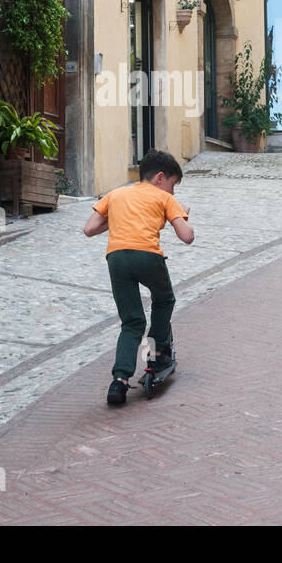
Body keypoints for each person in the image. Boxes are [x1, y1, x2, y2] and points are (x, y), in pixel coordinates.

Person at [83, 148, 194, 406]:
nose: (173, 192)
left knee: (131, 322)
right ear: (159, 178)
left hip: (117, 258)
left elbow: (89, 229)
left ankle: (119, 381)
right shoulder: (165, 199)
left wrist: (119, 217)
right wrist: (182, 212)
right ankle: (156, 351)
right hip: (147, 257)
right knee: (164, 300)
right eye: (172, 185)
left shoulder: (116, 194)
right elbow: (187, 236)